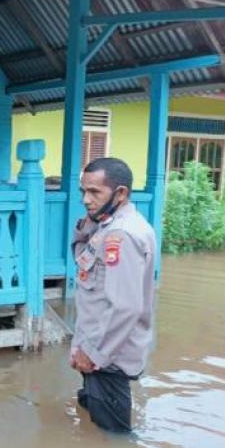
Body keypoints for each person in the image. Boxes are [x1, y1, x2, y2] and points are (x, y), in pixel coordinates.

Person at [70, 157, 157, 433]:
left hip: (107, 359)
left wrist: (94, 354)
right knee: (93, 426)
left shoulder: (122, 235)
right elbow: (84, 262)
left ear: (120, 193)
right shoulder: (107, 224)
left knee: (113, 439)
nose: (86, 199)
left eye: (94, 192)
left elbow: (125, 307)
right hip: (96, 348)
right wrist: (86, 225)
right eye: (83, 191)